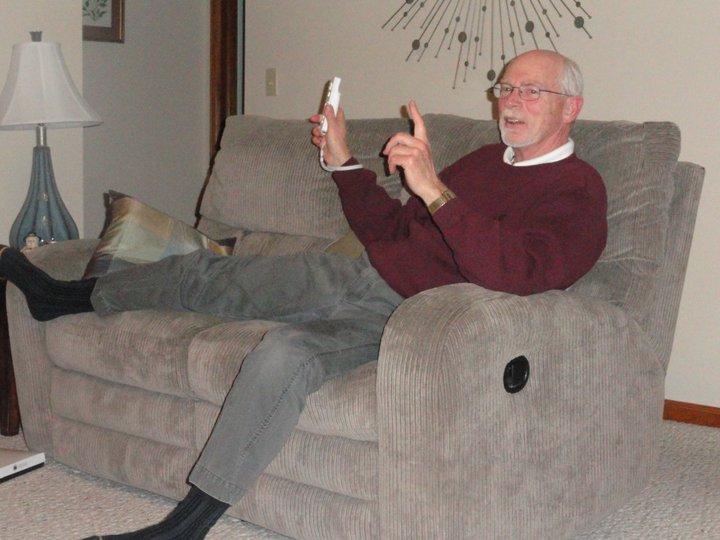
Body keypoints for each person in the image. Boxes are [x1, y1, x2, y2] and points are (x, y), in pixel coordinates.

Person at [0, 50, 606, 539]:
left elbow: (519, 274)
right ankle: (65, 298)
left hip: (412, 317)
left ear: (571, 107)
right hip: (356, 273)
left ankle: (183, 529)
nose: (512, 101)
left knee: (283, 353)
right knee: (204, 275)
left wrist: (434, 189)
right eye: (506, 87)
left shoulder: (578, 191)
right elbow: (390, 232)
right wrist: (343, 162)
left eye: (532, 91)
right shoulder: (482, 162)